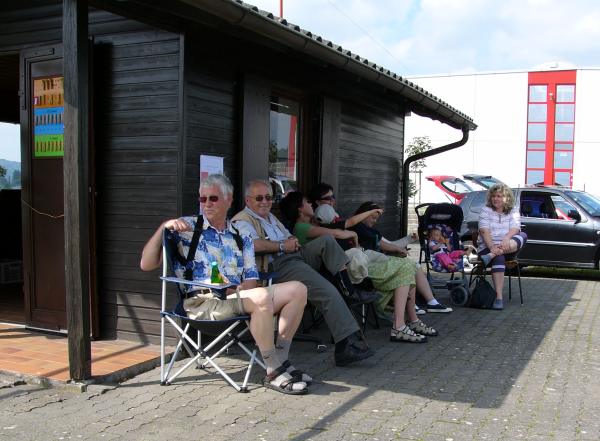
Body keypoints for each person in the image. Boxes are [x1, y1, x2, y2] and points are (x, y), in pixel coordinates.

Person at [140, 174, 312, 395]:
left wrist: (238, 291)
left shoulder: (241, 233)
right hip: (201, 303)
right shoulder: (187, 227)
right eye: (203, 199)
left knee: (298, 289)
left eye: (213, 198)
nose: (207, 204)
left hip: (236, 298)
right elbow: (146, 264)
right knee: (260, 298)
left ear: (229, 200)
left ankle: (281, 360)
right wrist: (163, 227)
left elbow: (250, 279)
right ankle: (272, 371)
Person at [231, 180, 374, 367]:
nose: (265, 201)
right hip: (276, 267)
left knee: (327, 240)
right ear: (248, 200)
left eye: (269, 197)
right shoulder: (242, 220)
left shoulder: (270, 217)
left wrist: (292, 240)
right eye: (259, 198)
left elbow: (287, 235)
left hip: (294, 255)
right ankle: (346, 345)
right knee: (327, 290)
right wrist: (283, 245)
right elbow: (253, 244)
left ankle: (348, 288)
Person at [281, 191, 438, 343]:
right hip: (346, 270)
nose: (311, 205)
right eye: (307, 202)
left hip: (351, 262)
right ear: (300, 209)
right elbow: (339, 232)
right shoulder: (301, 227)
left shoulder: (316, 223)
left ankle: (411, 320)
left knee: (409, 265)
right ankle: (400, 325)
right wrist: (353, 234)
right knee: (406, 267)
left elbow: (342, 228)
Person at [309, 183, 452, 315]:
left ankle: (423, 303)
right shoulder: (352, 226)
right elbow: (383, 244)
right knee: (407, 266)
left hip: (362, 262)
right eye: (328, 198)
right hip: (359, 267)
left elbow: (390, 243)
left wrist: (409, 240)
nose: (332, 201)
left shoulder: (360, 227)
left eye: (333, 197)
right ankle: (412, 308)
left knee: (410, 265)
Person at [478, 183, 528, 310]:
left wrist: (506, 238)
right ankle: (499, 298)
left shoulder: (513, 210)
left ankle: (492, 255)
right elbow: (484, 231)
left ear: (507, 198)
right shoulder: (486, 210)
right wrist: (491, 247)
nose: (495, 198)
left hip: (507, 246)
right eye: (494, 196)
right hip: (487, 248)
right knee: (499, 258)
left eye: (499, 196)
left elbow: (515, 228)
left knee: (523, 235)